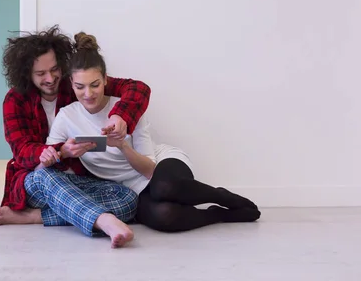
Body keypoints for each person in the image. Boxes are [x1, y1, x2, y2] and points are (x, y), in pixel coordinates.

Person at [37, 32, 261, 233]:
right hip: (128, 188)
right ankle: (219, 214)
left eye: (95, 84)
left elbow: (150, 170)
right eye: (80, 87)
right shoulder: (66, 117)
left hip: (158, 167)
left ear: (106, 80)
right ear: (71, 85)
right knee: (165, 217)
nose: (88, 94)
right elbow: (43, 164)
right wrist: (64, 152)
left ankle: (221, 196)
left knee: (164, 187)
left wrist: (123, 145)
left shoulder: (125, 109)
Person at [0, 25, 152, 247]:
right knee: (47, 176)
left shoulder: (76, 84)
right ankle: (104, 221)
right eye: (40, 73)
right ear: (26, 73)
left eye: (54, 69)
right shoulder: (15, 100)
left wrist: (119, 116)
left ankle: (34, 217)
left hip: (79, 179)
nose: (50, 78)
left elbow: (138, 88)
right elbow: (22, 151)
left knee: (128, 200)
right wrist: (60, 151)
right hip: (35, 180)